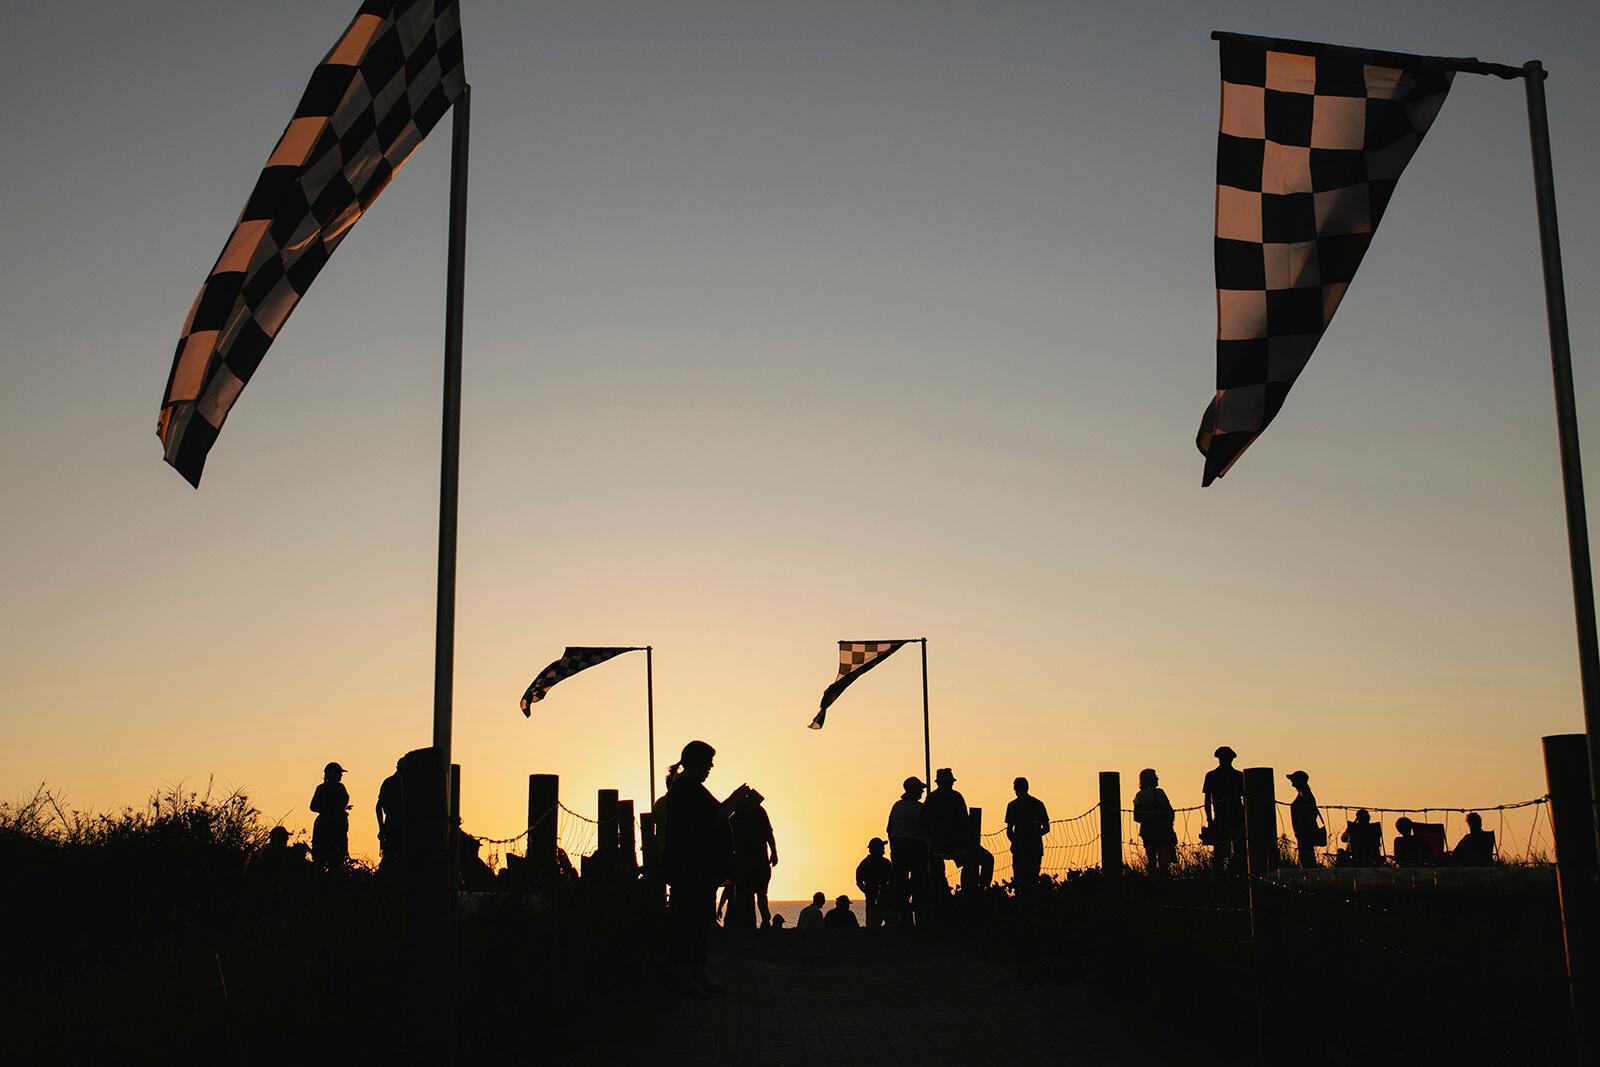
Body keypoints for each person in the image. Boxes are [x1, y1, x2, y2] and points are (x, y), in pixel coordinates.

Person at [654, 739, 752, 995]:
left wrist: (731, 801)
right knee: (688, 922)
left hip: (699, 866)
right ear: (697, 762)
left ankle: (698, 973)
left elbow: (713, 815)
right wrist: (734, 804)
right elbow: (710, 820)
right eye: (708, 762)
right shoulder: (687, 789)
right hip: (690, 866)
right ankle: (684, 974)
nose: (711, 767)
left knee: (698, 923)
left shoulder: (690, 788)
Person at [730, 790, 778, 929]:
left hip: (744, 860)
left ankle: (748, 922)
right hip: (755, 860)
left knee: (742, 893)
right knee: (760, 893)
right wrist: (774, 852)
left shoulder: (736, 816)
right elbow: (769, 834)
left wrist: (774, 852)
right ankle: (764, 921)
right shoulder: (757, 812)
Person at [886, 777, 929, 926]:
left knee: (901, 884)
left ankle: (905, 919)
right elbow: (927, 828)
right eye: (920, 789)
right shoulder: (921, 808)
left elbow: (889, 829)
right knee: (919, 882)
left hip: (899, 848)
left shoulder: (897, 806)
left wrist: (893, 846)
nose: (923, 791)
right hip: (917, 848)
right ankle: (919, 918)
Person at [925, 767, 970, 894]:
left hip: (936, 845)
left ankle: (941, 894)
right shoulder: (956, 797)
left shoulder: (931, 798)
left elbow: (925, 822)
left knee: (936, 869)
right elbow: (965, 821)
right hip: (956, 845)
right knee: (981, 860)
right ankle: (969, 891)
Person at [1005, 777, 1051, 898]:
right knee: (1032, 880)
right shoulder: (1038, 804)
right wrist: (1034, 836)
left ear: (1015, 789)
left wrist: (1017, 840)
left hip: (1021, 848)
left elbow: (1009, 831)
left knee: (1019, 881)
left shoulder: (1012, 805)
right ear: (1027, 787)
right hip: (1034, 847)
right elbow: (1046, 828)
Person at [1202, 747, 1245, 872]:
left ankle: (1221, 874)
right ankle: (1238, 872)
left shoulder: (1211, 775)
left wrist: (1209, 819)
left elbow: (1207, 800)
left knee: (1221, 850)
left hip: (1222, 816)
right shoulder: (1238, 776)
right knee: (1238, 849)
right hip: (1236, 815)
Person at [1132, 769, 1177, 875]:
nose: (1157, 779)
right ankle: (1165, 880)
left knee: (1151, 860)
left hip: (1148, 831)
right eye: (1155, 777)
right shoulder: (1160, 793)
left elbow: (1137, 817)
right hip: (1164, 830)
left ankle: (1152, 881)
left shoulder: (1139, 796)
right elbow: (1170, 812)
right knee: (1164, 861)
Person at [309, 762, 351, 871]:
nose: (341, 775)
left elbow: (313, 807)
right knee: (333, 862)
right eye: (339, 773)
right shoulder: (337, 788)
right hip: (332, 827)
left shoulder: (323, 788)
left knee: (325, 862)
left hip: (328, 826)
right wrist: (332, 811)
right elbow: (313, 806)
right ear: (332, 773)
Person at [1285, 770, 1325, 868]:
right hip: (1304, 832)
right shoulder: (1305, 793)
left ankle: (1310, 877)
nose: (1292, 783)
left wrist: (1303, 829)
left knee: (1306, 858)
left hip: (1305, 832)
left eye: (1293, 779)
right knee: (1306, 856)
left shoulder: (1305, 794)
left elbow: (1310, 813)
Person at [855, 838, 896, 928]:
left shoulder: (884, 863)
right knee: (873, 926)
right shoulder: (867, 864)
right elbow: (859, 882)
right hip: (874, 901)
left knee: (889, 924)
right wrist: (868, 891)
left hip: (885, 901)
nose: (883, 849)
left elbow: (892, 879)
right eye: (881, 847)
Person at [376, 757, 405, 863]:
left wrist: (381, 828)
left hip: (389, 826)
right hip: (401, 827)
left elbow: (378, 807)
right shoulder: (409, 784)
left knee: (387, 859)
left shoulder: (388, 782)